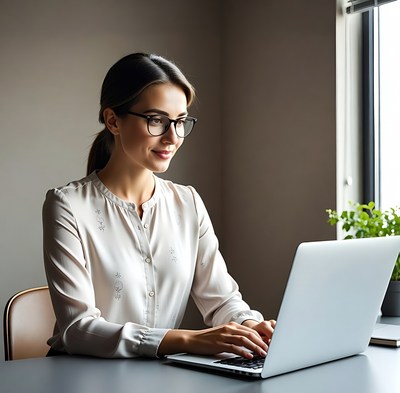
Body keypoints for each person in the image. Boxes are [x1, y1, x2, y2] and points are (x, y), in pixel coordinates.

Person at [42, 52, 275, 359]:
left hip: (158, 379)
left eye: (180, 122)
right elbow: (78, 328)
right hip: (81, 379)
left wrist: (249, 326)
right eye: (157, 120)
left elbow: (222, 300)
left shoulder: (187, 202)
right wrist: (187, 341)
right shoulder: (67, 205)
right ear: (113, 120)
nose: (172, 137)